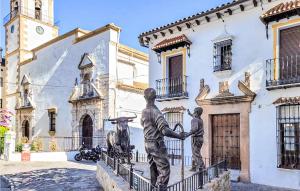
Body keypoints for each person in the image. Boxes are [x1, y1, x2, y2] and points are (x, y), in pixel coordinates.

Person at [141, 88, 189, 191]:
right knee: (164, 169)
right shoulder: (156, 112)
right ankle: (160, 189)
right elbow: (164, 131)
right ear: (156, 97)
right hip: (157, 144)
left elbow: (145, 125)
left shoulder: (144, 111)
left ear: (144, 98)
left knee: (153, 168)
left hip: (147, 144)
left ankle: (153, 188)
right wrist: (179, 136)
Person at [187, 107, 205, 171]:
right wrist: (190, 114)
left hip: (196, 139)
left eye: (194, 111)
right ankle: (194, 167)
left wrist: (187, 134)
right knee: (195, 153)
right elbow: (194, 117)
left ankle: (203, 169)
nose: (193, 113)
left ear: (196, 112)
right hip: (200, 139)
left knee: (196, 154)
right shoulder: (200, 119)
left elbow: (194, 129)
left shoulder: (194, 120)